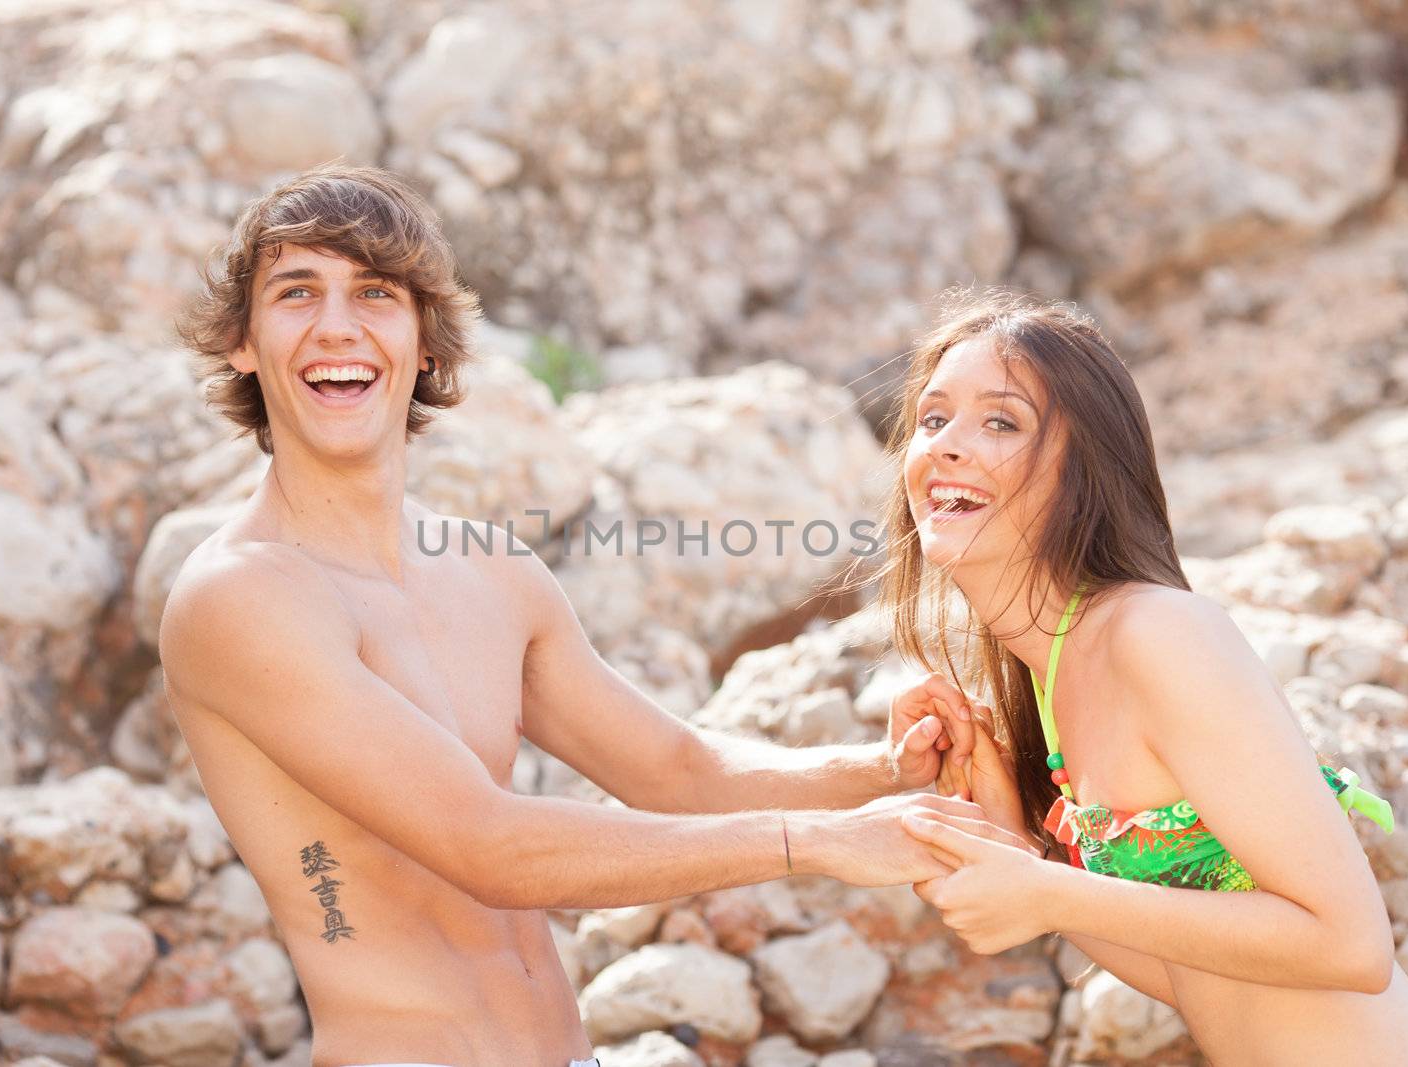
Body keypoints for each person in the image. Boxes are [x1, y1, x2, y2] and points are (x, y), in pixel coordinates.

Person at [157, 164, 968, 1067]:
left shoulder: (491, 568)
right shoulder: (239, 594)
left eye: (376, 292)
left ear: (425, 341)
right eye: (296, 292)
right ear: (241, 341)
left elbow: (680, 766)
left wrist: (883, 770)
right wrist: (813, 842)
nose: (337, 325)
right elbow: (488, 845)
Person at [880, 291, 1408, 1064]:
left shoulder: (1159, 632)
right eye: (933, 419)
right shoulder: (1054, 671)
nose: (945, 444)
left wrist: (1049, 891)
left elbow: (1350, 946)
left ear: (1084, 469)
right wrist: (1020, 846)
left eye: (1000, 421)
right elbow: (1193, 970)